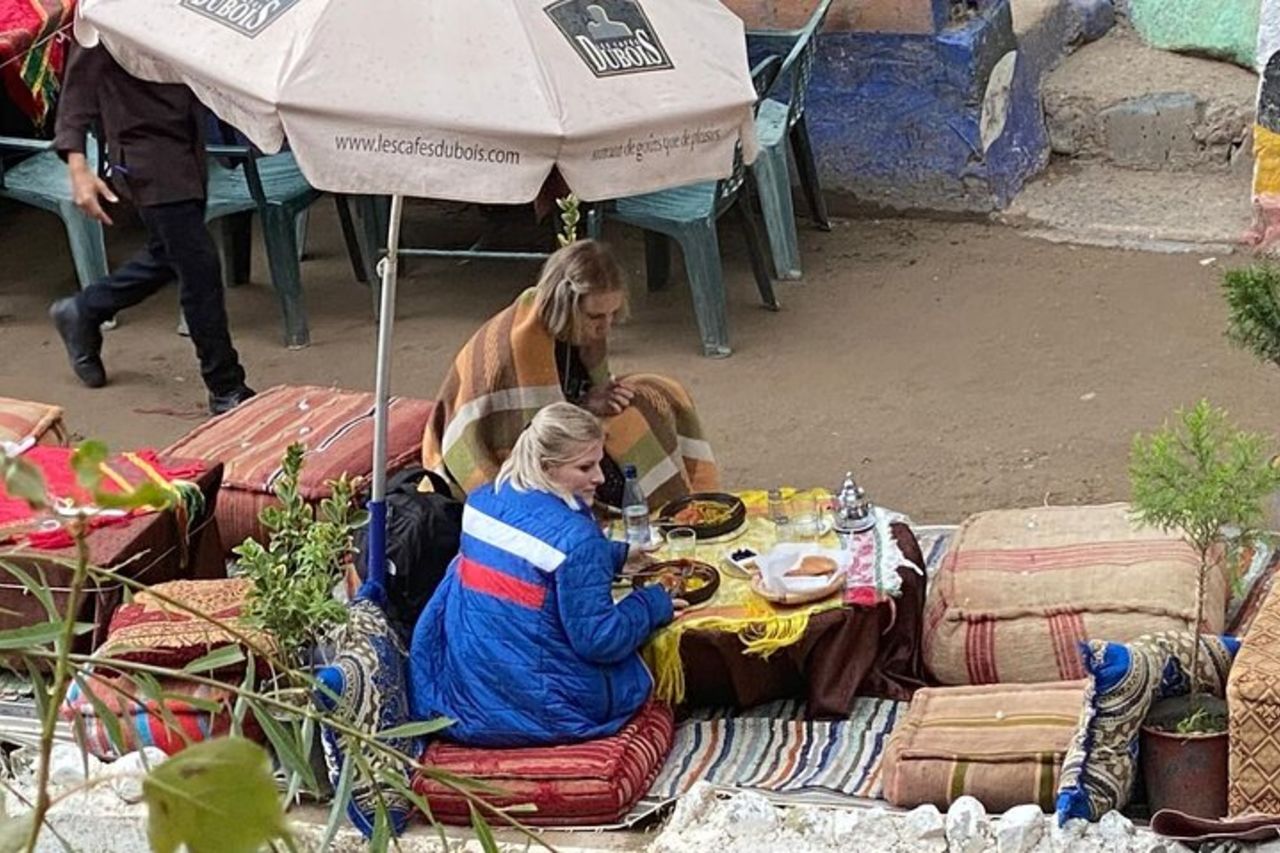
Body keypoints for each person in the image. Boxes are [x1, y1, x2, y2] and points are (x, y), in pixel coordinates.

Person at [408, 403, 679, 747]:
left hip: (468, 688)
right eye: (585, 467)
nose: (599, 477)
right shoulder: (578, 539)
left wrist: (614, 556)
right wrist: (652, 603)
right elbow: (600, 640)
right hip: (539, 709)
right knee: (631, 668)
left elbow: (526, 557)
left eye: (598, 462)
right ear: (547, 467)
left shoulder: (482, 500)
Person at [423, 238, 717, 509]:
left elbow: (584, 385)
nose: (606, 326)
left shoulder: (580, 325)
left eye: (612, 314)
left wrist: (596, 398)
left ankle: (681, 502)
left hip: (561, 409)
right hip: (490, 442)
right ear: (565, 305)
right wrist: (585, 406)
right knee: (604, 468)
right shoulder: (524, 341)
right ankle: (636, 512)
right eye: (596, 317)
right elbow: (532, 435)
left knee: (657, 395)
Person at [49, 43, 254, 416]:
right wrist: (78, 169)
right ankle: (226, 387)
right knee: (199, 267)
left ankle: (84, 309)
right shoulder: (105, 11)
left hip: (186, 146)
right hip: (147, 157)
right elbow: (77, 90)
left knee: (169, 253)